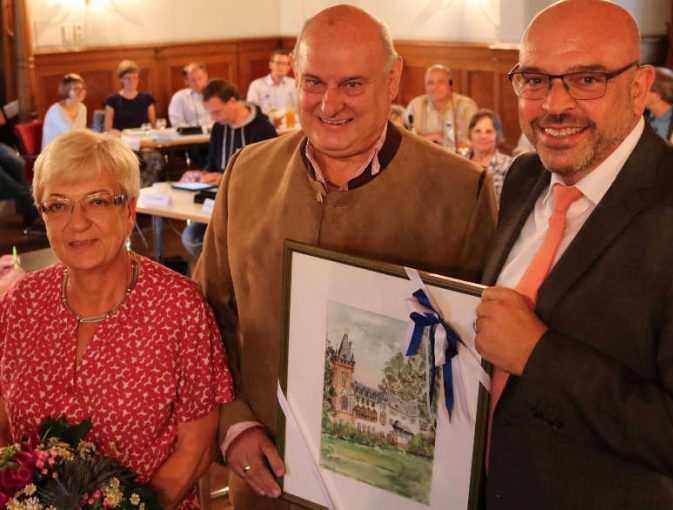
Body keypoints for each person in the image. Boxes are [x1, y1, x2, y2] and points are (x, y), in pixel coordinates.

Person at [193, 5, 497, 509]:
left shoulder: (462, 193)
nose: (329, 104)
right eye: (313, 82)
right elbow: (207, 320)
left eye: (352, 84)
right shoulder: (247, 173)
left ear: (393, 78)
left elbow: (477, 357)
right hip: (267, 484)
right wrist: (234, 423)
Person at [474, 1, 673, 509]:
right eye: (534, 79)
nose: (554, 104)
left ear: (639, 87)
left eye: (586, 79)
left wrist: (540, 356)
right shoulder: (526, 176)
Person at [0, 129, 233, 509]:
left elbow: (198, 445)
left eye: (97, 201)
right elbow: (4, 423)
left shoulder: (179, 306)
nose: (77, 222)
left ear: (129, 211)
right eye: (57, 205)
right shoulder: (22, 300)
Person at [179, 78, 277, 257]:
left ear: (233, 101)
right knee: (191, 239)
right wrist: (201, 174)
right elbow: (213, 165)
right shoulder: (219, 127)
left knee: (208, 243)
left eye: (217, 112)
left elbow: (270, 176)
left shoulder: (263, 129)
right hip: (217, 201)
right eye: (211, 114)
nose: (214, 118)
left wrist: (227, 177)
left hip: (251, 206)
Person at [405, 64, 478, 151]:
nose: (435, 87)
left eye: (440, 82)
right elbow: (408, 141)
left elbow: (476, 144)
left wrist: (448, 143)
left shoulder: (466, 106)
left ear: (451, 85)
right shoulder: (415, 106)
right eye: (430, 83)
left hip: (459, 160)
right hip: (423, 159)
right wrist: (436, 136)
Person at [461, 109, 513, 202]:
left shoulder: (509, 165)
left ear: (497, 135)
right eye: (478, 131)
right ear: (470, 134)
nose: (483, 136)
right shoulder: (460, 163)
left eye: (489, 131)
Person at [104, 60, 156, 133]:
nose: (132, 81)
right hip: (122, 140)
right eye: (128, 78)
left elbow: (153, 125)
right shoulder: (112, 100)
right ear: (121, 79)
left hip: (144, 139)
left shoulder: (147, 98)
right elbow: (107, 129)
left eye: (135, 78)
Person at [42, 73, 88, 149]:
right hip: (55, 152)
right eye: (76, 89)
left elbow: (82, 132)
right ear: (66, 90)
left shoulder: (82, 108)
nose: (81, 91)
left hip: (74, 148)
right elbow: (71, 135)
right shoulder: (56, 110)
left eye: (83, 88)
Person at [246, 50, 297, 116]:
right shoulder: (256, 85)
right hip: (264, 123)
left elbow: (299, 108)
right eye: (278, 63)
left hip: (289, 123)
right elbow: (251, 110)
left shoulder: (294, 84)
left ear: (289, 67)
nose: (281, 67)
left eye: (285, 64)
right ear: (271, 64)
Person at [168, 62, 212, 128]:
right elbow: (177, 124)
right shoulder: (179, 97)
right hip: (191, 135)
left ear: (206, 77)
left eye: (200, 78)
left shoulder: (217, 94)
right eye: (193, 80)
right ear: (186, 81)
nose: (198, 83)